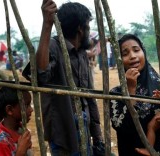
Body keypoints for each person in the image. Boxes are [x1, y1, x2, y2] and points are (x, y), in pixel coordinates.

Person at [23, 1, 105, 155]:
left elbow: (89, 96)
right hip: (62, 128)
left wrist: (97, 134)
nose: (89, 30)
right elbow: (41, 75)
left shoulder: (82, 54)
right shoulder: (53, 47)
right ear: (80, 28)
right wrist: (47, 25)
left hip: (84, 124)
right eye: (88, 25)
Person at [109, 34, 160, 156]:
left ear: (144, 52)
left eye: (136, 50)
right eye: (125, 53)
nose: (132, 56)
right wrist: (131, 89)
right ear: (119, 60)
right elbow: (122, 128)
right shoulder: (116, 94)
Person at [0, 87, 33, 156]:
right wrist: (20, 152)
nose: (31, 109)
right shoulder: (1, 143)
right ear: (9, 110)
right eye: (26, 105)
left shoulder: (20, 129)